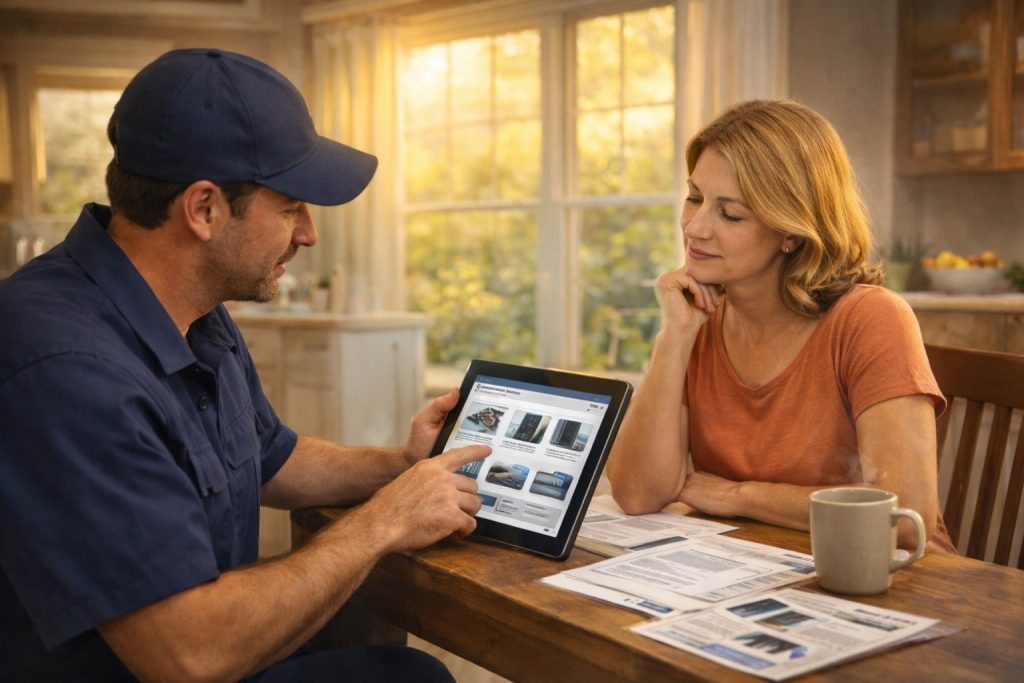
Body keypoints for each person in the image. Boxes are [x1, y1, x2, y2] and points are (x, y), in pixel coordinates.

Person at [0, 48, 490, 681]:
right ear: (204, 209)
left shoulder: (192, 308)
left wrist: (401, 467)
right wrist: (382, 522)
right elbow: (189, 655)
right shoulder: (65, 369)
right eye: (289, 208)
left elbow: (270, 457)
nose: (308, 233)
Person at [605, 99, 956, 553]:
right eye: (694, 198)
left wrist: (739, 495)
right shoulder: (698, 320)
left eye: (730, 214)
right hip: (752, 562)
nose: (695, 228)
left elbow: (904, 516)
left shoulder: (872, 318)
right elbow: (637, 494)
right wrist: (675, 336)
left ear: (791, 231)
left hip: (890, 574)